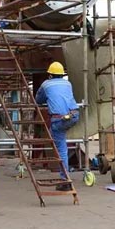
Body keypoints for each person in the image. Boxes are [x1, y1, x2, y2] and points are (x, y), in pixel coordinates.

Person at [35, 61, 79, 191]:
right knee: (61, 143)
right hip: (74, 115)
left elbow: (38, 100)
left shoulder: (46, 84)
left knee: (61, 149)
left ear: (50, 75)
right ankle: (65, 175)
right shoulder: (68, 84)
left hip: (59, 119)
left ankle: (65, 180)